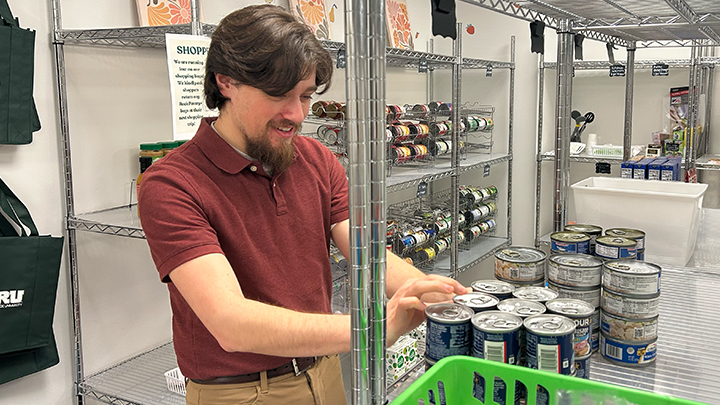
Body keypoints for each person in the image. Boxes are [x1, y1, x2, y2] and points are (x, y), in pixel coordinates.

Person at [138, 5, 468, 405]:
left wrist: (433, 294)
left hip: (323, 372)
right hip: (242, 392)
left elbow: (367, 253)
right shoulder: (171, 184)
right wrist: (371, 330)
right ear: (225, 81)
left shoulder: (315, 158)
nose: (296, 115)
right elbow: (231, 322)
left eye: (306, 96)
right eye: (279, 95)